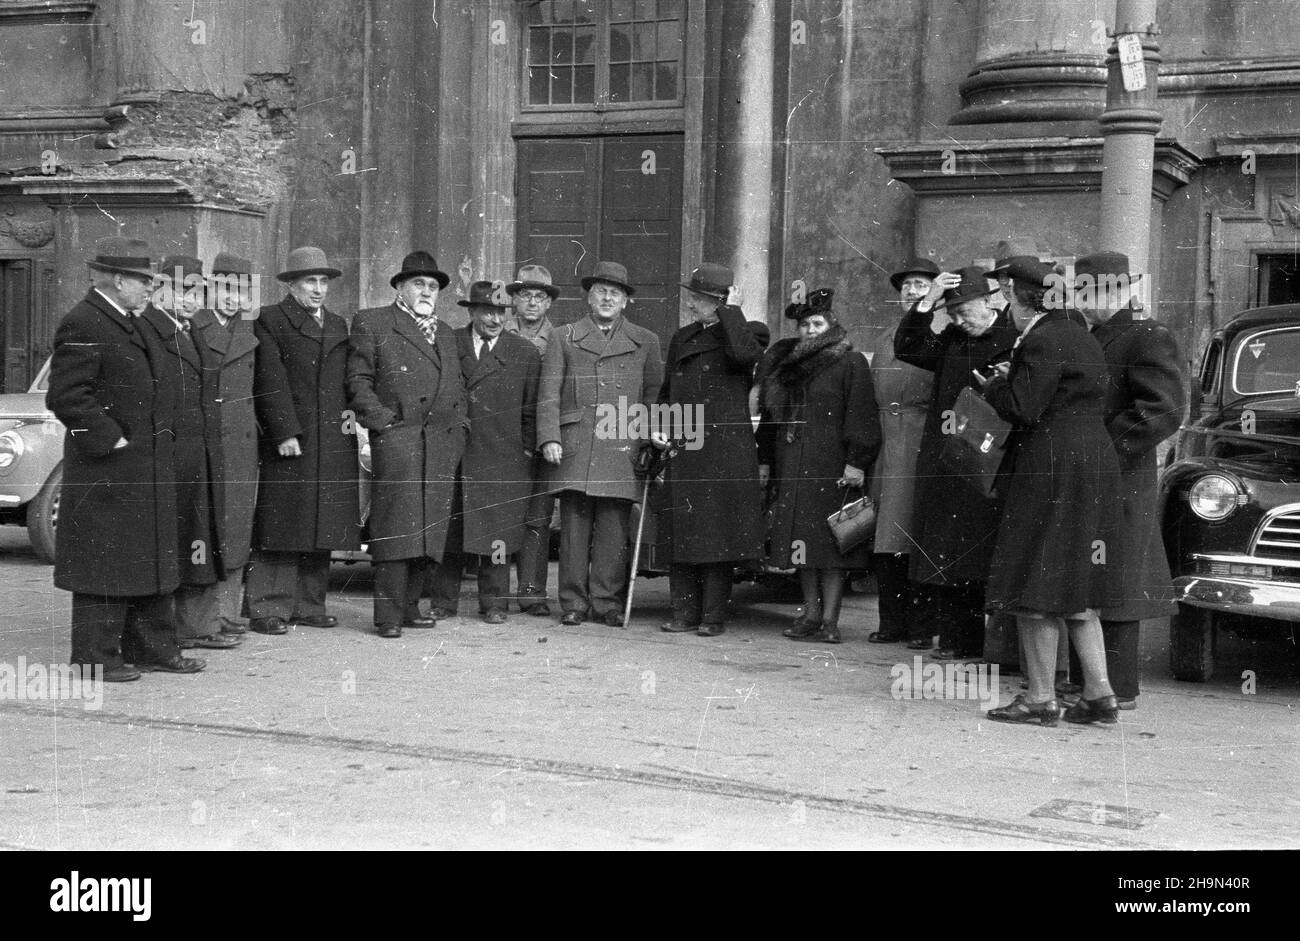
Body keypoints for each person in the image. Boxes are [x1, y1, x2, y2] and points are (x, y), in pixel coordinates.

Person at [47, 236, 203, 680]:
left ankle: (152, 647)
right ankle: (95, 659)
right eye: (143, 281)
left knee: (146, 558)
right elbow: (66, 398)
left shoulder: (126, 320)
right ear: (119, 281)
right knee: (104, 565)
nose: (150, 289)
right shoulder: (84, 322)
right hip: (109, 468)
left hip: (143, 465)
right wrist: (110, 441)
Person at [978, 260, 1121, 726]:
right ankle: (1099, 693)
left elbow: (1024, 407)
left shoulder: (1041, 337)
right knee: (1075, 582)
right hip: (1090, 461)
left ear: (1022, 299)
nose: (1006, 309)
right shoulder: (1079, 332)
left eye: (1006, 298)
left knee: (1032, 578)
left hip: (1050, 464)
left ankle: (1040, 698)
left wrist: (998, 387)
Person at [1068, 251, 1185, 711]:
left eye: (1089, 292)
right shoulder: (1099, 335)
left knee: (1117, 583)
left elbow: (1162, 411)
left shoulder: (1147, 336)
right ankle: (1088, 684)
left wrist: (1102, 451)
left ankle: (1116, 688)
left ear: (1118, 291)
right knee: (1095, 578)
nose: (1083, 301)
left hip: (1121, 477)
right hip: (1103, 475)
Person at [894, 264, 1020, 659]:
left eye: (965, 312)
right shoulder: (952, 336)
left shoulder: (1014, 338)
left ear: (989, 301)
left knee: (982, 553)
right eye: (954, 314)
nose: (961, 321)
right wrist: (927, 302)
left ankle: (993, 647)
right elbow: (907, 347)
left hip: (991, 459)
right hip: (947, 459)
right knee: (947, 551)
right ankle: (954, 640)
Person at [537, 260, 663, 627]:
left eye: (615, 293)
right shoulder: (564, 337)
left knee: (613, 528)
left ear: (625, 301)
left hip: (621, 444)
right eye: (601, 291)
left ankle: (606, 602)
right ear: (588, 297)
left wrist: (649, 436)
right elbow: (548, 393)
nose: (607, 298)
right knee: (574, 528)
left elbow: (654, 395)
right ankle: (574, 602)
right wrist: (549, 437)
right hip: (575, 443)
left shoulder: (646, 342)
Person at [346, 251, 466, 638]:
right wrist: (384, 425)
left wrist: (459, 430)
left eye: (432, 286)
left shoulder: (445, 331)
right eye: (418, 283)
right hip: (400, 440)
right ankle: (388, 616)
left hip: (440, 445)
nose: (426, 291)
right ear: (400, 286)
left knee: (429, 531)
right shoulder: (374, 322)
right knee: (397, 530)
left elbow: (458, 388)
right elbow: (358, 382)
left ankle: (412, 606)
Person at [757, 289, 882, 644]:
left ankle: (829, 621)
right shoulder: (787, 366)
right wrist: (766, 459)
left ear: (831, 326)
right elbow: (770, 418)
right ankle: (809, 615)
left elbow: (861, 414)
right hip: (793, 466)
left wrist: (856, 462)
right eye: (804, 325)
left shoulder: (849, 362)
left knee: (831, 548)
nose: (810, 330)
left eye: (817, 323)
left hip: (832, 468)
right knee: (803, 547)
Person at [247, 247, 360, 636]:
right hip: (292, 438)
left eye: (323, 282)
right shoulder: (269, 320)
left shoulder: (338, 324)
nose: (318, 289)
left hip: (331, 437)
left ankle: (309, 604)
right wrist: (283, 432)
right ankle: (267, 607)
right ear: (291, 285)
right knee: (281, 523)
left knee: (322, 521)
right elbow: (269, 380)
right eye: (310, 281)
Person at [652, 263, 765, 637]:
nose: (691, 304)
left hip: (723, 449)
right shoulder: (682, 337)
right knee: (682, 528)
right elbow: (667, 390)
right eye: (692, 297)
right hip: (685, 444)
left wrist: (732, 311)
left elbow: (746, 359)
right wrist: (658, 428)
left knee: (718, 532)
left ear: (720, 301)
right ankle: (684, 612)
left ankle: (713, 616)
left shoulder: (745, 333)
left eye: (699, 299)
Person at [429, 281, 541, 623]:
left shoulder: (524, 353)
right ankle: (443, 602)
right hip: (455, 455)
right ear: (472, 312)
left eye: (500, 312)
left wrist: (522, 452)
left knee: (497, 536)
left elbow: (531, 411)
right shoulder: (448, 344)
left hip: (501, 458)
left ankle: (494, 603)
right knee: (449, 532)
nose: (494, 319)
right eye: (486, 311)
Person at [142, 255, 230, 653]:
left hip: (198, 452)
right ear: (160, 288)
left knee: (197, 539)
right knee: (175, 541)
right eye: (182, 290)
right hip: (173, 453)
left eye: (198, 291)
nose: (191, 299)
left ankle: (194, 626)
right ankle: (175, 629)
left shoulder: (190, 329)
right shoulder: (151, 330)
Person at [866, 258, 937, 647]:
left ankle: (924, 627)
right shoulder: (886, 336)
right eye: (907, 285)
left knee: (916, 535)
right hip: (886, 442)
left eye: (921, 285)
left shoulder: (940, 330)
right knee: (886, 537)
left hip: (920, 438)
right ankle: (892, 622)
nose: (912, 291)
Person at [189, 252, 261, 640]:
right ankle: (200, 623)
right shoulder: (194, 327)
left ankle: (227, 613)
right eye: (226, 290)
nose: (233, 299)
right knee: (206, 530)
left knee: (235, 528)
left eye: (241, 292)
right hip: (209, 443)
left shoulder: (246, 328)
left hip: (241, 446)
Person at [506, 264, 561, 616]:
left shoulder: (559, 339)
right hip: (502, 438)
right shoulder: (500, 328)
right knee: (496, 513)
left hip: (539, 439)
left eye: (540, 296)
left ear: (549, 304)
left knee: (537, 518)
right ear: (513, 298)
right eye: (525, 295)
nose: (532, 302)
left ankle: (531, 592)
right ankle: (493, 592)